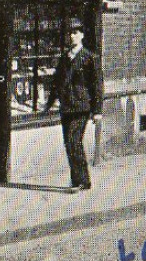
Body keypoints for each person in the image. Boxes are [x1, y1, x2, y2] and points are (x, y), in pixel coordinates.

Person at [44, 17, 103, 192]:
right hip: (66, 107)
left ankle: (82, 181)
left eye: (75, 32)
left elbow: (97, 85)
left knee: (73, 141)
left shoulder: (90, 58)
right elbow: (57, 82)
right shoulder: (65, 57)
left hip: (82, 106)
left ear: (82, 35)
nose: (72, 36)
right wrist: (49, 104)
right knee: (69, 143)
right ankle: (77, 179)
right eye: (70, 32)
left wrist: (97, 110)